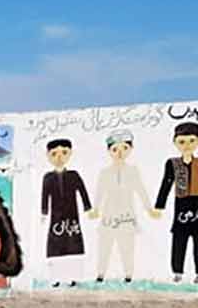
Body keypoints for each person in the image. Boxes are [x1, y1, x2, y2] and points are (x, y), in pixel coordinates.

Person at [89, 130, 158, 283]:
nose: (119, 153)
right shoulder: (104, 172)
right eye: (115, 149)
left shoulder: (133, 171)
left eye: (124, 148)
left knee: (127, 247)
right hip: (108, 216)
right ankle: (100, 274)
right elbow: (99, 193)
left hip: (127, 215)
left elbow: (141, 191)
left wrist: (149, 209)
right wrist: (96, 210)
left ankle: (128, 275)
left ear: (130, 149)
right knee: (105, 247)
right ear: (109, 151)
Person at [41, 138, 91, 287]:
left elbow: (83, 192)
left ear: (70, 154)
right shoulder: (48, 177)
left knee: (73, 245)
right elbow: (45, 196)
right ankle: (55, 277)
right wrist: (44, 212)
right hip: (55, 218)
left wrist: (87, 207)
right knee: (55, 246)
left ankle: (72, 277)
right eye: (54, 153)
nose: (59, 157)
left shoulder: (74, 175)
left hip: (72, 216)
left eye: (64, 152)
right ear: (48, 156)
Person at [155, 122, 198, 284]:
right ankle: (177, 271)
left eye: (191, 141)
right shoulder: (172, 163)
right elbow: (166, 184)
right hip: (181, 203)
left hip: (197, 203)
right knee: (179, 238)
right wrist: (159, 206)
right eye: (182, 142)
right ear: (175, 142)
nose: (187, 145)